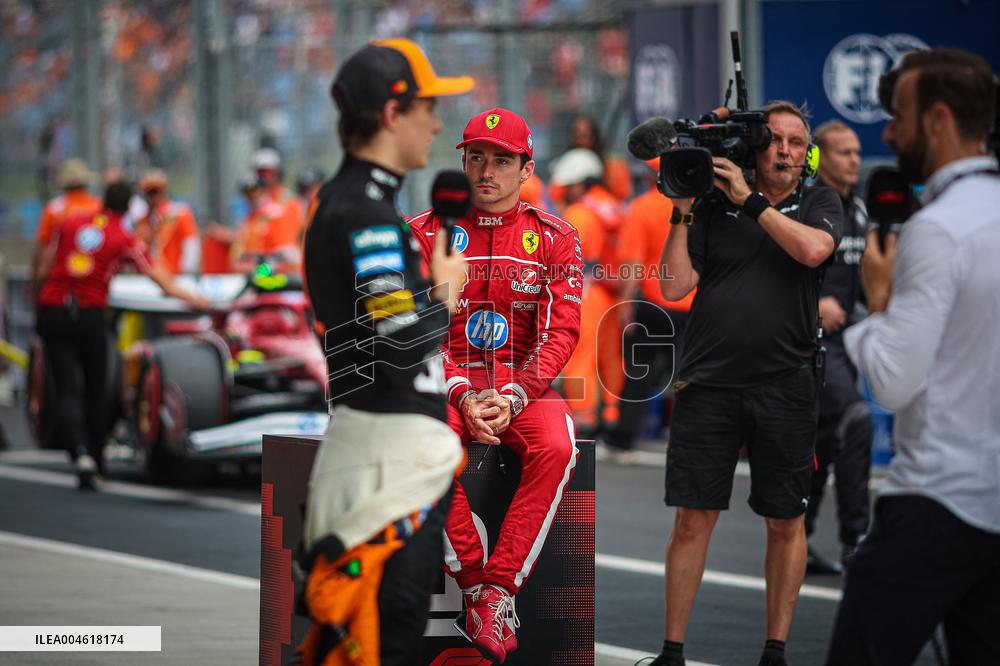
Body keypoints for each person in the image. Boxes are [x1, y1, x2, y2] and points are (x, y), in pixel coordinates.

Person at [298, 38, 472, 666]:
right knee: (383, 644)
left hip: (385, 452)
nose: (438, 124)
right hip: (384, 461)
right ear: (393, 114)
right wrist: (445, 297)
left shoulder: (360, 205)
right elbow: (399, 345)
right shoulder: (363, 214)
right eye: (428, 107)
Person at [650, 101, 844, 666]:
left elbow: (813, 250)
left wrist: (750, 202)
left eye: (795, 142)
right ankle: (671, 652)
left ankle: (775, 651)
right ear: (756, 148)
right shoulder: (712, 205)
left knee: (785, 519)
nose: (784, 150)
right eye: (774, 139)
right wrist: (683, 211)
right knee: (692, 517)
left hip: (787, 385)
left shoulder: (820, 202)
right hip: (708, 383)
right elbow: (672, 286)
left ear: (807, 153)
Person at [826, 48, 1000, 666]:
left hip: (936, 496)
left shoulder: (938, 227)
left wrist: (877, 302)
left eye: (898, 116)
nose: (889, 134)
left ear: (937, 119)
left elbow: (894, 382)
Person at [408, 107, 582, 663]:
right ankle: (478, 587)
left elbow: (560, 333)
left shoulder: (555, 237)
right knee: (419, 445)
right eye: (476, 157)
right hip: (442, 378)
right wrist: (462, 392)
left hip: (519, 383)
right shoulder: (424, 233)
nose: (487, 171)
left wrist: (512, 396)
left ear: (526, 168)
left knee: (559, 444)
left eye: (502, 161)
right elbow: (416, 331)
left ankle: (498, 591)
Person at [34, 180, 209, 490]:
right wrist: (198, 301)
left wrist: (37, 303)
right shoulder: (123, 236)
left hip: (54, 308)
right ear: (129, 206)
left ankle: (79, 452)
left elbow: (44, 268)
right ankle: (95, 456)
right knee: (97, 387)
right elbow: (158, 278)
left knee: (66, 387)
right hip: (90, 313)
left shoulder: (70, 222)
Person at [803, 120, 872, 575]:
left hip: (847, 343)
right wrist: (813, 306)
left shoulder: (861, 209)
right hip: (807, 343)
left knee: (826, 440)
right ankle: (856, 541)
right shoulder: (806, 206)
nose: (854, 161)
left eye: (857, 152)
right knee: (855, 420)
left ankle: (799, 537)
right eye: (844, 152)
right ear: (820, 157)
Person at [604, 158, 695, 462]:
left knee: (639, 373)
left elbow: (633, 263)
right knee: (688, 376)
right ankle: (689, 439)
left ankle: (624, 436)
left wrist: (626, 305)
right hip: (692, 304)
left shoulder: (642, 208)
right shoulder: (696, 207)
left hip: (655, 305)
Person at [553, 147, 626, 440]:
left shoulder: (580, 212)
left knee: (579, 356)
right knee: (609, 356)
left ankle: (583, 417)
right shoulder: (611, 206)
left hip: (585, 290)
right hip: (609, 292)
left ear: (580, 182)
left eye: (569, 185)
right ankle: (611, 413)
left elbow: (569, 257)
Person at [32, 158, 102, 299]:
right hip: (95, 282)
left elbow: (43, 248)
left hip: (59, 283)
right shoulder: (99, 207)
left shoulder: (54, 209)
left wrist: (37, 283)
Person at [133, 168, 201, 274]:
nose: (153, 197)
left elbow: (191, 245)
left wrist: (185, 273)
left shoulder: (180, 214)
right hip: (150, 276)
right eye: (149, 193)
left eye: (156, 192)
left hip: (174, 275)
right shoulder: (141, 221)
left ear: (164, 191)